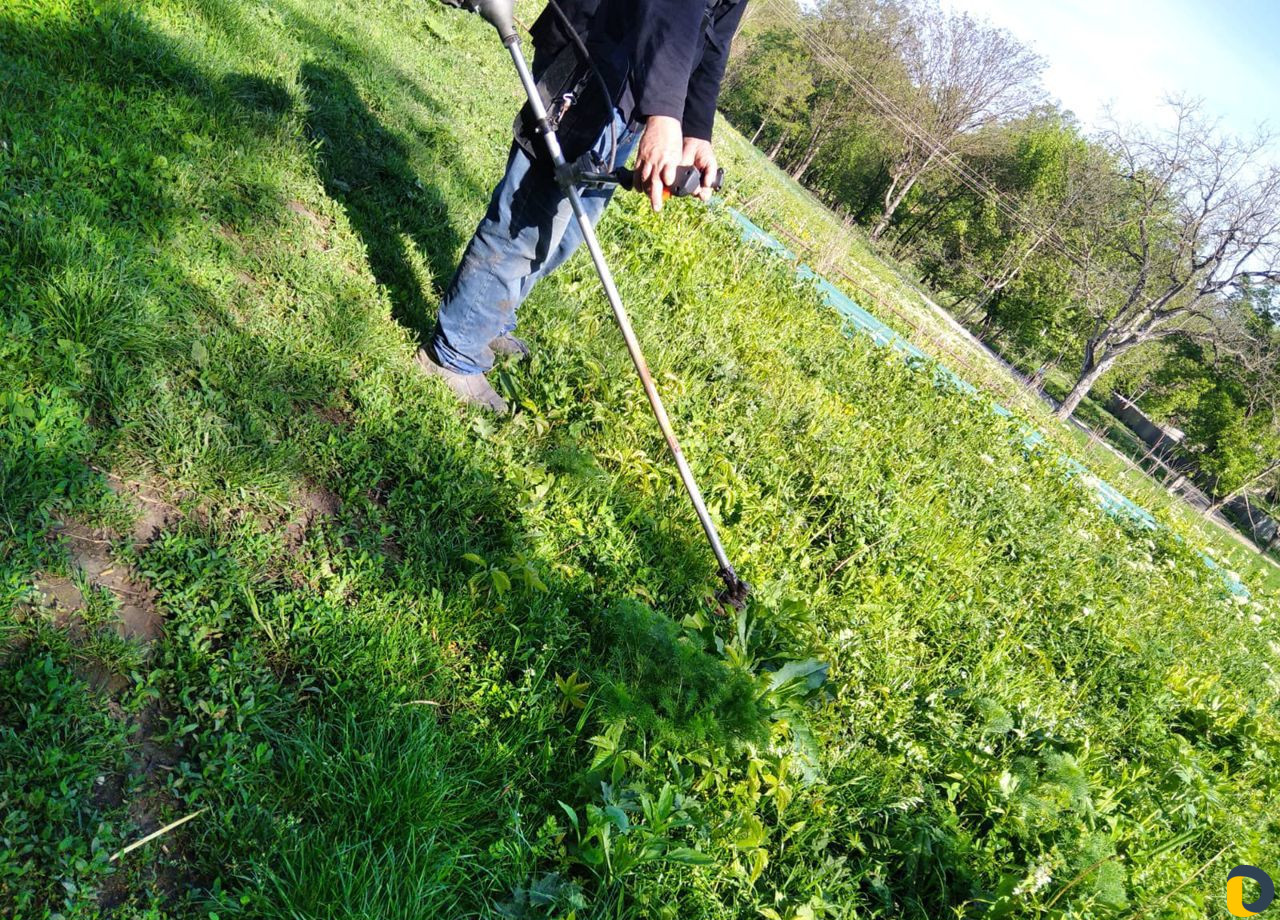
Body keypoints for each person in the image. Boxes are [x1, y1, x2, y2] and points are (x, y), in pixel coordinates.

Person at [418, 0, 749, 411]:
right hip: (594, 52)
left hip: (636, 92)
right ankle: (455, 353)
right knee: (530, 218)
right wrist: (664, 112)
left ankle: (488, 319)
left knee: (569, 230)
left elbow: (714, 34)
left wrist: (695, 129)